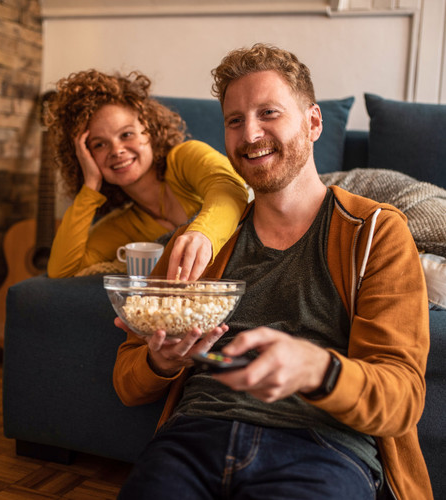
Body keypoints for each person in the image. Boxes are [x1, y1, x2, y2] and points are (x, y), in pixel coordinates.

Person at [112, 44, 432, 500]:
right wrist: (161, 360)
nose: (250, 134)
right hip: (194, 437)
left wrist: (316, 368)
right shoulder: (200, 243)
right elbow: (126, 379)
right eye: (235, 120)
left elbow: (400, 397)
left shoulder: (376, 232)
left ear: (314, 122)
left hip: (323, 447)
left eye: (269, 112)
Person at [45, 69, 248, 280]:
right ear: (86, 156)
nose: (116, 150)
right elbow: (62, 271)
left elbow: (230, 187)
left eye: (126, 134)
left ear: (149, 130)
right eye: (99, 144)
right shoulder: (121, 225)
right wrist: (90, 184)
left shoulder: (185, 157)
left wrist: (203, 235)